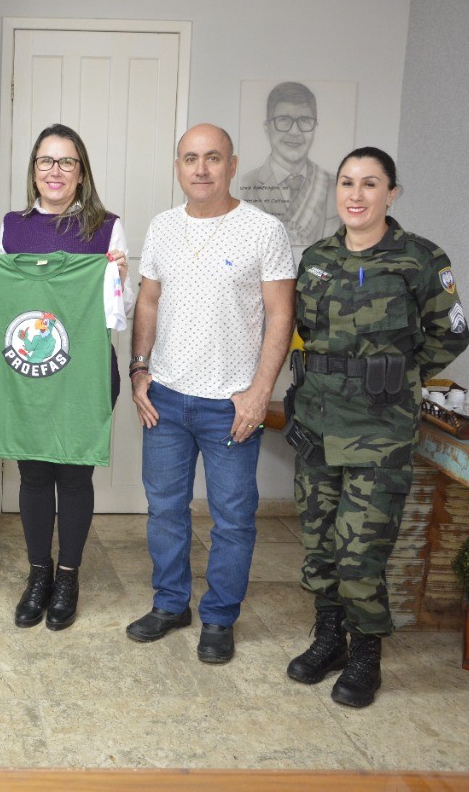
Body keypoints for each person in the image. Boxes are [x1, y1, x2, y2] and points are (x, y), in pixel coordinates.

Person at [284, 147, 468, 707]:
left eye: (370, 183)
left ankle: (367, 654)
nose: (356, 195)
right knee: (318, 545)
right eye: (346, 183)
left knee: (360, 551)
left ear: (392, 193)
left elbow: (451, 334)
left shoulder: (420, 258)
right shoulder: (316, 258)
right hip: (316, 425)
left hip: (380, 434)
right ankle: (329, 640)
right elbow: (297, 332)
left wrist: (398, 378)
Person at [125, 123, 295, 664]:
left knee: (232, 518)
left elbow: (281, 316)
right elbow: (147, 302)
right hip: (167, 401)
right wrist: (139, 369)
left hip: (232, 406)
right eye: (190, 158)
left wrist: (259, 393)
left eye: (213, 158)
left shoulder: (264, 230)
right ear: (177, 166)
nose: (201, 169)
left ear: (232, 164)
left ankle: (219, 617)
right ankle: (172, 604)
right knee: (166, 510)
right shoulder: (162, 227)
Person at [0, 124, 133, 630]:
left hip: (83, 371)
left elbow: (114, 314)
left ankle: (69, 574)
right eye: (45, 162)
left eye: (66, 162)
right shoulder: (12, 226)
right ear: (33, 170)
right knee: (33, 473)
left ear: (82, 173)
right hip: (28, 370)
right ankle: (38, 574)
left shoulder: (107, 227)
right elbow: (5, 300)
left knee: (75, 470)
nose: (55, 172)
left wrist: (116, 279)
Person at [239, 82, 339, 247]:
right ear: (267, 127)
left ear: (315, 127)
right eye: (283, 120)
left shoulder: (335, 187)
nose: (294, 131)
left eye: (305, 120)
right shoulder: (244, 185)